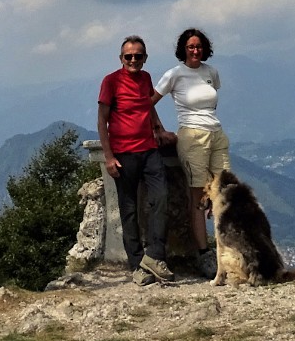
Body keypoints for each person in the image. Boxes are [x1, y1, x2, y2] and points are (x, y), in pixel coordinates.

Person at [97, 35, 178, 285]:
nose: (133, 60)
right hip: (123, 154)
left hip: (149, 149)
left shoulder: (145, 78)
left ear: (145, 57)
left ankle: (154, 256)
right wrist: (108, 156)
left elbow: (148, 106)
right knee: (129, 209)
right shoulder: (110, 81)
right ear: (121, 58)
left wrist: (160, 129)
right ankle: (136, 267)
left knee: (161, 198)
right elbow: (102, 120)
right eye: (128, 56)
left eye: (138, 56)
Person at [153, 27, 228, 278]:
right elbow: (147, 101)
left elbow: (211, 102)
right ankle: (203, 254)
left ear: (205, 48)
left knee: (223, 191)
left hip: (216, 133)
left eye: (198, 46)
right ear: (183, 50)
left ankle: (224, 250)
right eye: (190, 47)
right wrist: (159, 129)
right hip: (192, 135)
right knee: (198, 196)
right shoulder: (175, 74)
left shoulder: (211, 73)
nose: (195, 51)